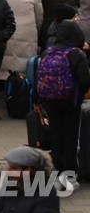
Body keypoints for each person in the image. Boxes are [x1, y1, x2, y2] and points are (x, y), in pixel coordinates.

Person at [35, 18, 90, 175]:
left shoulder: (47, 52)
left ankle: (56, 167)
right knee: (71, 136)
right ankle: (70, 170)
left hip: (51, 100)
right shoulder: (76, 54)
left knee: (56, 133)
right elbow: (84, 80)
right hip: (71, 101)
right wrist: (79, 94)